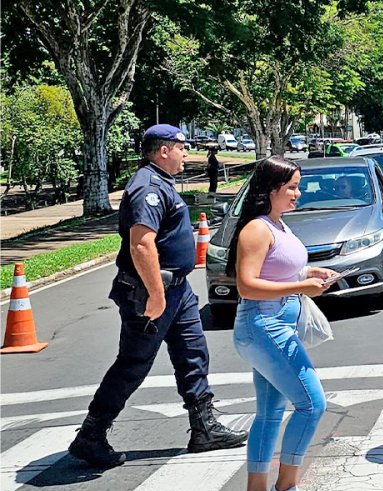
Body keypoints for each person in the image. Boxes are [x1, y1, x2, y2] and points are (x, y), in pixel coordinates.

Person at [68, 124, 248, 470]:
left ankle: (204, 426)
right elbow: (141, 243)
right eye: (182, 147)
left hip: (177, 290)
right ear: (163, 149)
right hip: (152, 292)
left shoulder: (162, 183)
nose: (186, 153)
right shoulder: (147, 187)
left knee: (193, 353)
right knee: (133, 364)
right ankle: (92, 434)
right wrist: (155, 294)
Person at [228, 156, 339, 491]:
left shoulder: (277, 225)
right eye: (291, 186)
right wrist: (302, 285)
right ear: (270, 189)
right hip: (265, 327)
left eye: (297, 186)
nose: (297, 193)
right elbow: (246, 284)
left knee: (271, 412)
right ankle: (285, 490)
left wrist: (311, 271)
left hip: (276, 328)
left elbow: (278, 268)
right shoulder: (256, 229)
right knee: (312, 404)